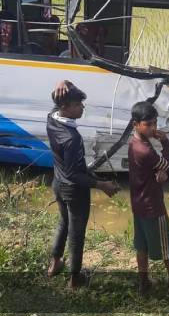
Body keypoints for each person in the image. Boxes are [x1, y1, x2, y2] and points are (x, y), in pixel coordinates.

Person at [46, 80, 119, 288]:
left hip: (57, 184)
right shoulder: (72, 138)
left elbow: (66, 173)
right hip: (73, 190)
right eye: (78, 105)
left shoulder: (52, 119)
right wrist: (101, 185)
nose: (82, 107)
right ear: (64, 107)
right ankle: (75, 278)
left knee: (63, 223)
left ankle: (55, 262)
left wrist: (64, 82)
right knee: (76, 233)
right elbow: (73, 174)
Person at [127, 101, 169, 296]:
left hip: (138, 203)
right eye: (148, 124)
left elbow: (156, 170)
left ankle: (144, 283)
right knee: (167, 246)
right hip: (152, 206)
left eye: (155, 123)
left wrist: (159, 174)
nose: (153, 128)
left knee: (141, 245)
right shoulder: (145, 150)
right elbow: (166, 164)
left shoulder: (133, 142)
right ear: (136, 124)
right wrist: (165, 143)